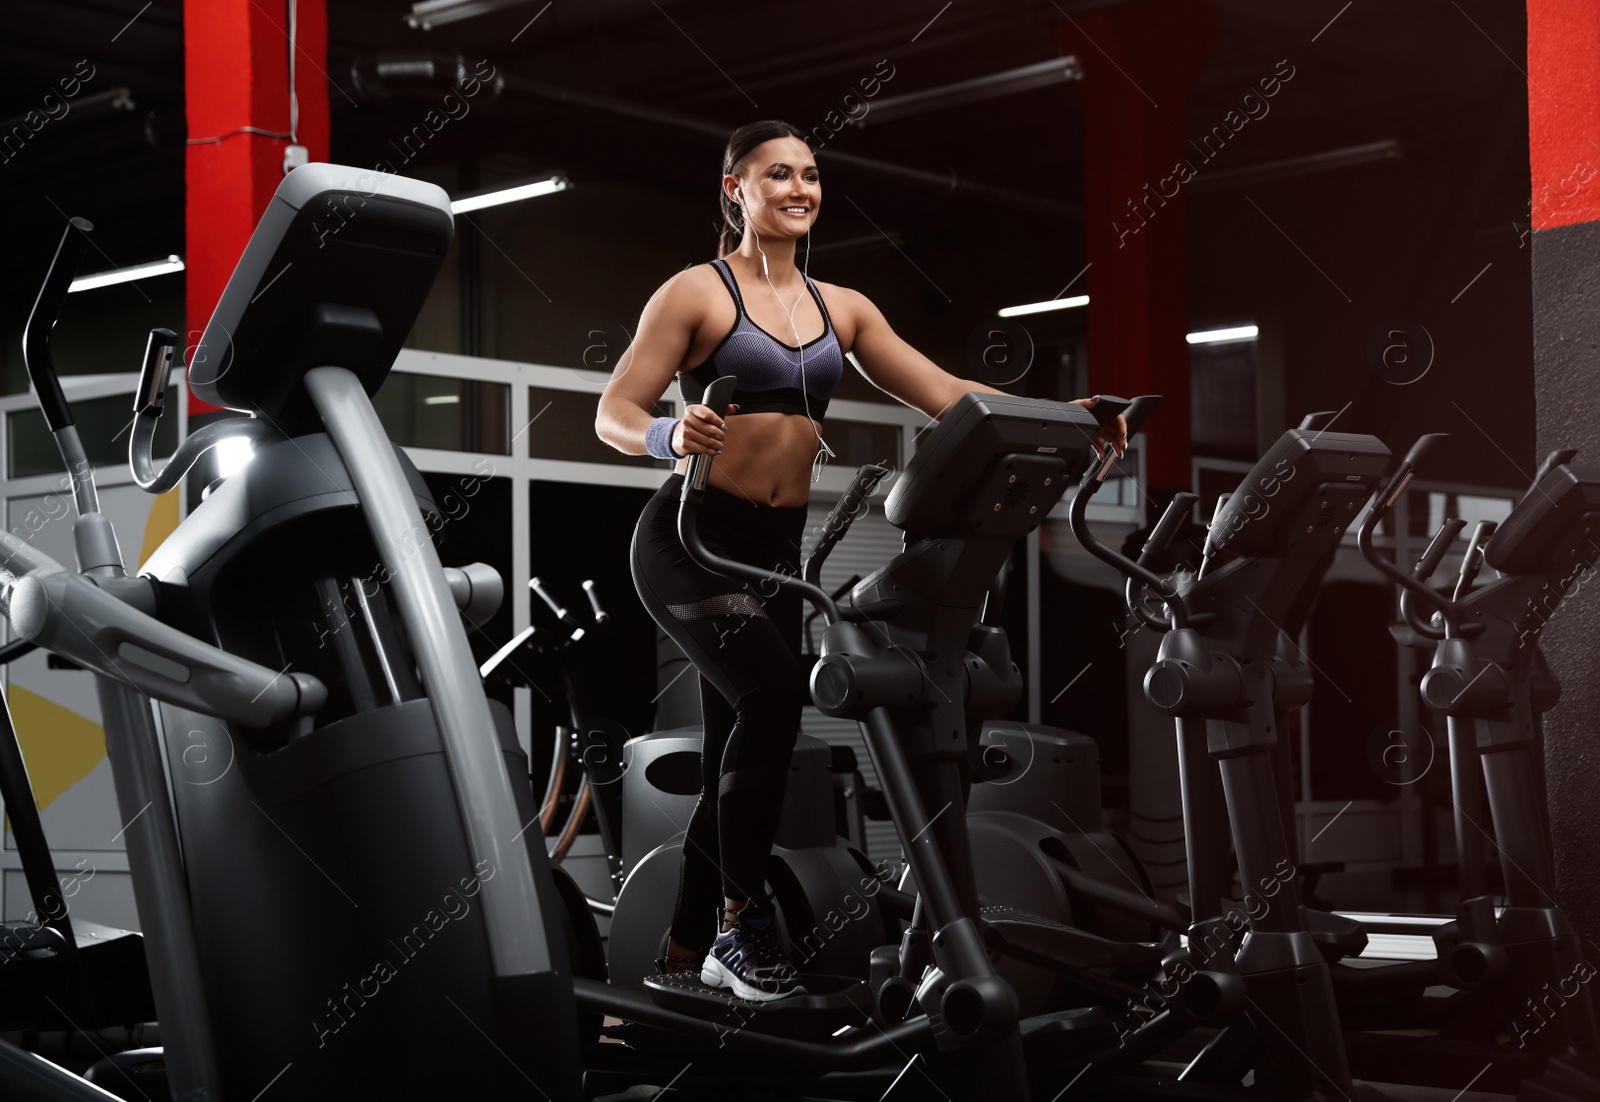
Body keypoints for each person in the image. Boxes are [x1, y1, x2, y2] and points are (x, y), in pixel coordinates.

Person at [595, 119, 1125, 1002]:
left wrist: (1063, 412)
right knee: (771, 700)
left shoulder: (844, 308)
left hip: (772, 554)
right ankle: (738, 925)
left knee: (743, 739)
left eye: (809, 175)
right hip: (689, 541)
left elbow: (950, 395)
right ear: (736, 190)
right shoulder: (697, 293)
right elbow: (614, 406)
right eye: (777, 175)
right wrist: (664, 432)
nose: (799, 189)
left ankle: (682, 960)